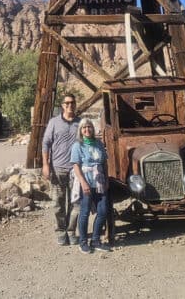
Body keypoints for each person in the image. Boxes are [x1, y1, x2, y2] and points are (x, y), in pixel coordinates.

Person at [42, 93, 81, 246]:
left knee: (76, 204)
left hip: (75, 171)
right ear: (62, 105)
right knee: (58, 203)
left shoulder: (80, 123)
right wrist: (46, 165)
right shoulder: (53, 122)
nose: (70, 105)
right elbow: (45, 143)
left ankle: (71, 231)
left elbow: (87, 142)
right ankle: (61, 231)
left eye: (72, 103)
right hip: (58, 169)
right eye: (67, 103)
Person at [70, 118, 111, 254]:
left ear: (93, 129)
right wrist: (83, 182)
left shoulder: (98, 143)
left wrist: (106, 180)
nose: (87, 130)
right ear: (80, 131)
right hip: (86, 181)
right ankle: (83, 242)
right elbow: (76, 165)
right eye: (84, 128)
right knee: (85, 212)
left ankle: (95, 240)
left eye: (89, 127)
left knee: (103, 211)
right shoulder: (78, 145)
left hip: (99, 181)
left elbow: (104, 163)